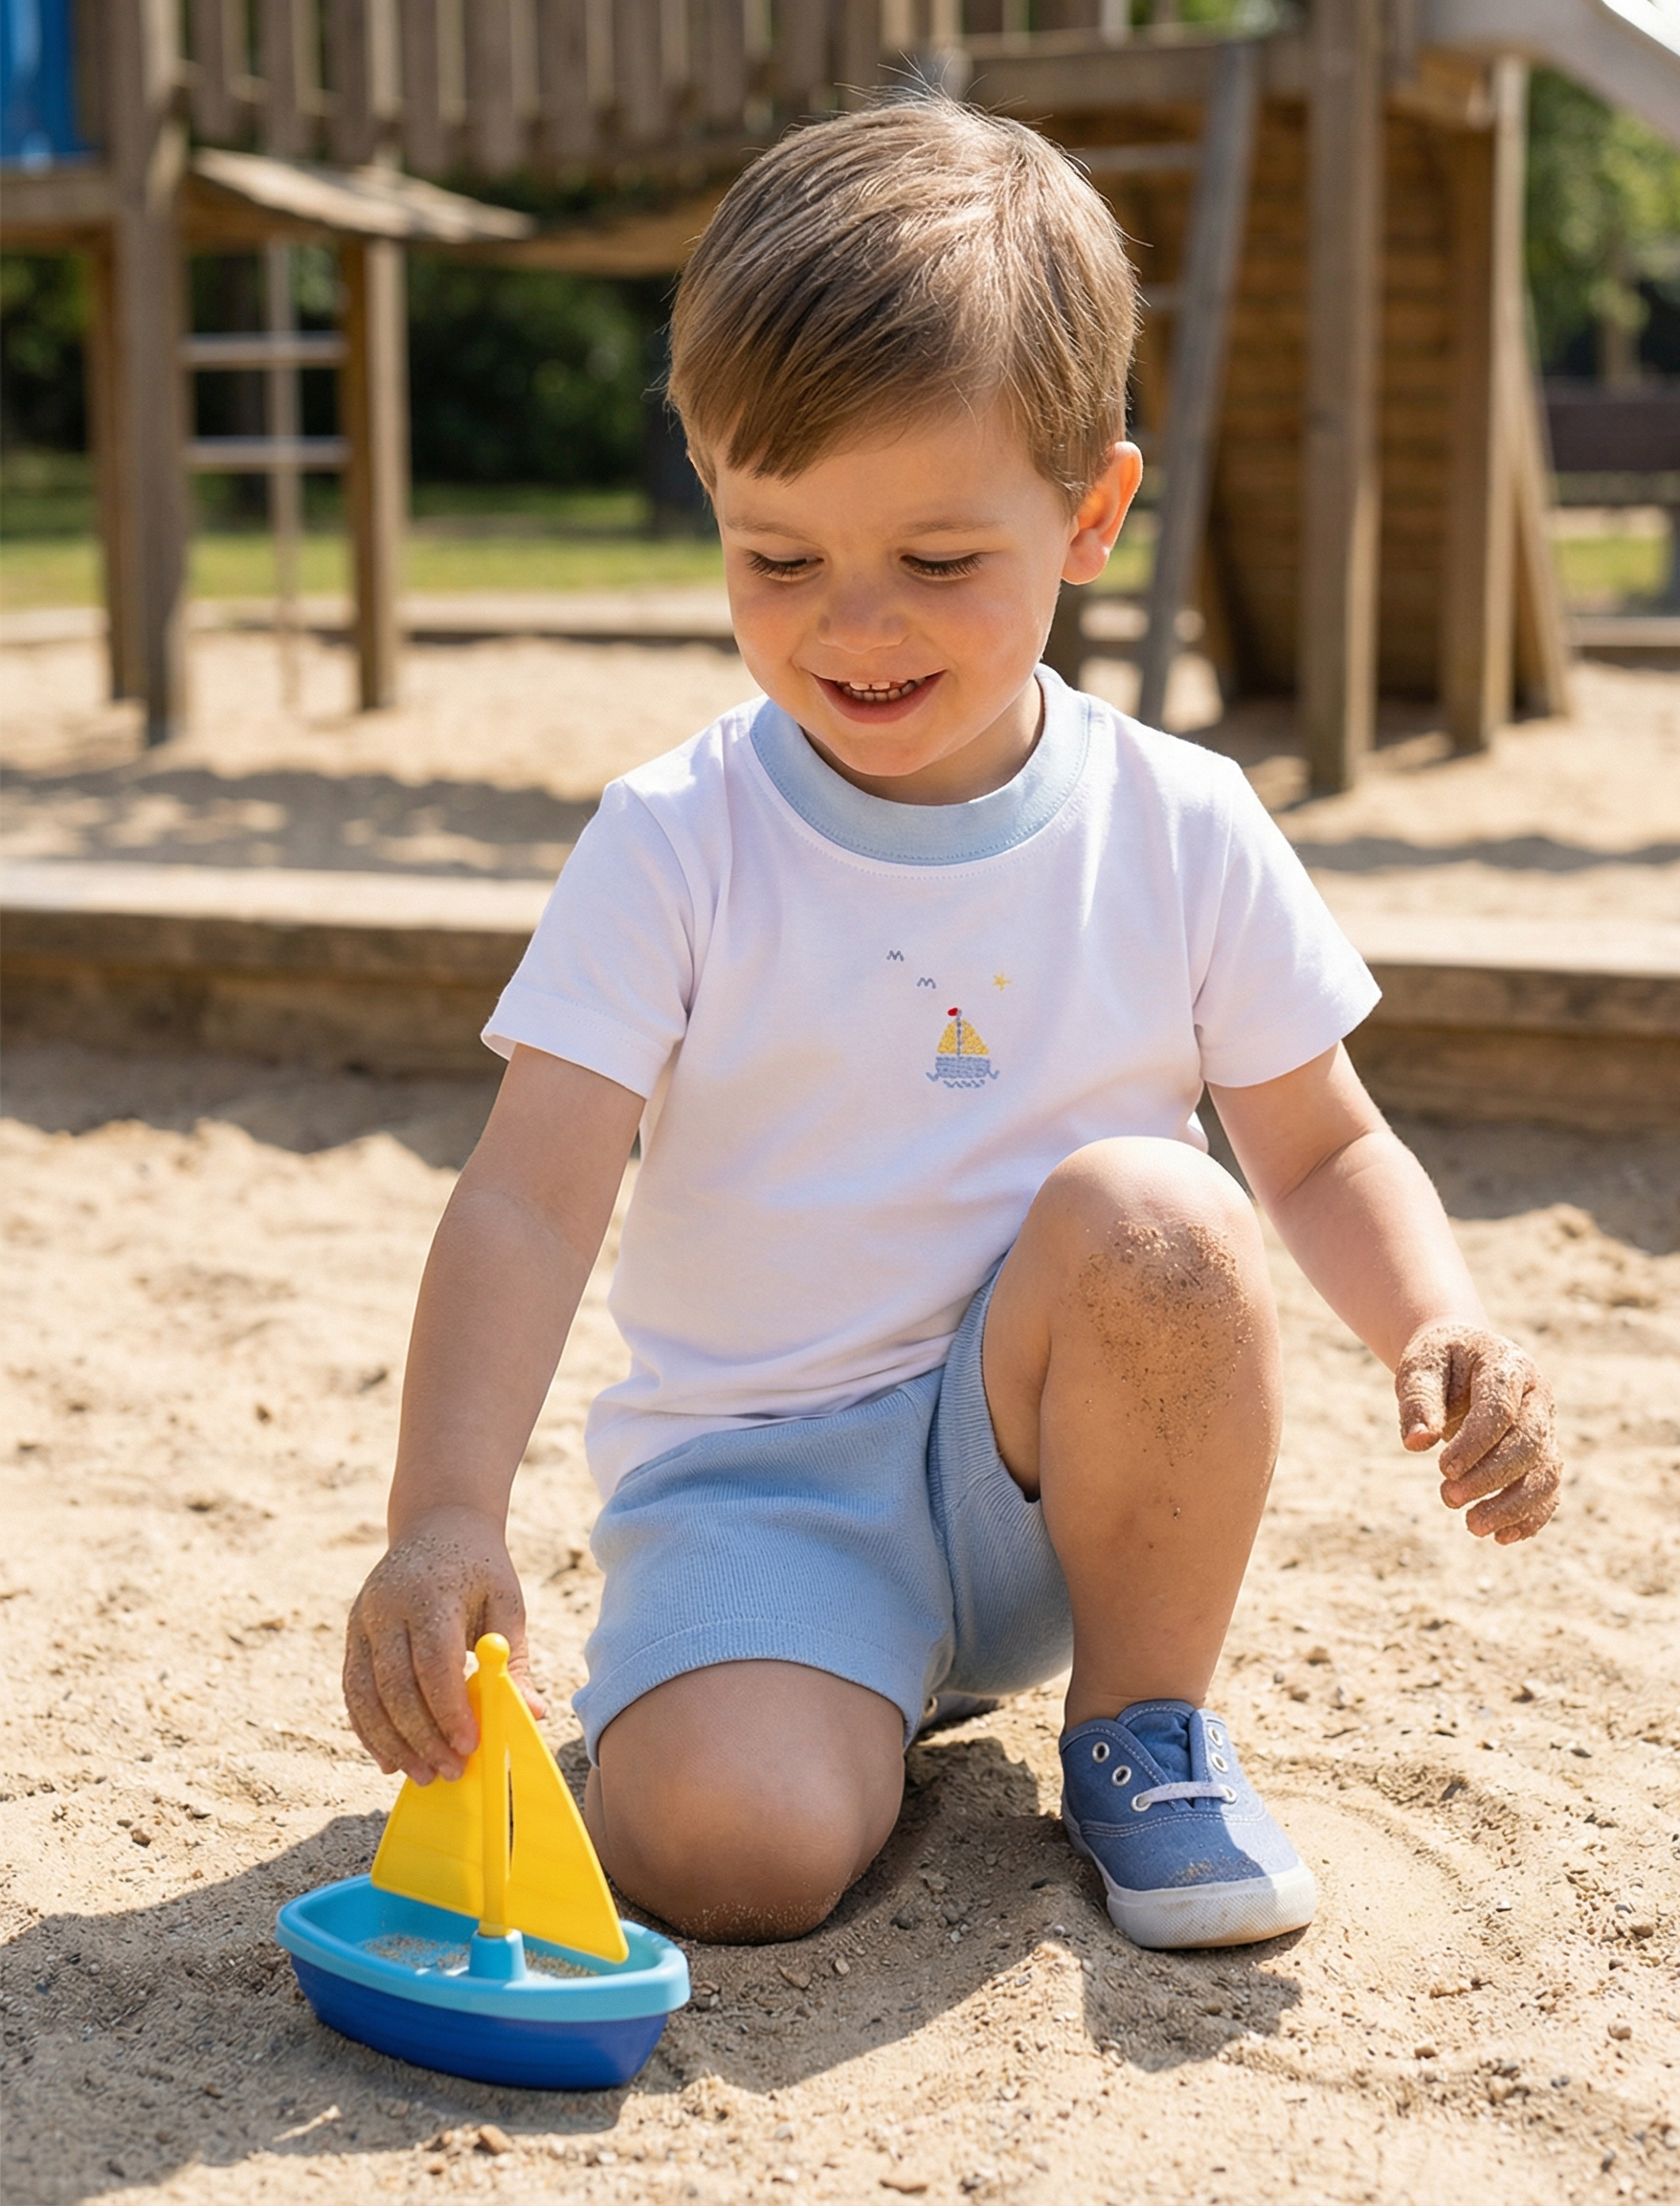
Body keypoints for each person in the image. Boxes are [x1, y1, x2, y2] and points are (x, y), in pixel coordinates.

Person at [343, 99, 1561, 1952]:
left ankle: (1143, 1733)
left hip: (1052, 1475)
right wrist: (442, 1512)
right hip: (761, 1491)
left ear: (1087, 518)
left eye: (933, 561)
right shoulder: (679, 841)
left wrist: (1440, 1315)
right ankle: (795, 1701)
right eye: (777, 559)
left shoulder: (1175, 822)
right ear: (712, 500)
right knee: (727, 1854)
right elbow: (527, 1199)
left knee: (1164, 1215)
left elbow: (1319, 1146)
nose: (853, 626)